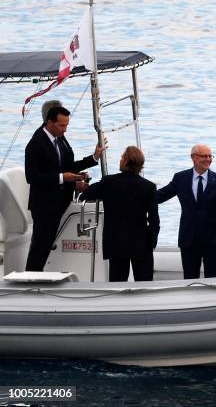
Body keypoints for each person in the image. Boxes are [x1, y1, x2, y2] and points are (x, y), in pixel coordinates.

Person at [25, 105, 105, 271]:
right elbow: (32, 177)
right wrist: (63, 178)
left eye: (67, 125)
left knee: (45, 246)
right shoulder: (35, 144)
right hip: (44, 205)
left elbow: (68, 166)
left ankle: (36, 278)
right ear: (49, 122)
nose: (65, 129)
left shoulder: (60, 139)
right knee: (40, 248)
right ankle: (31, 281)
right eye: (62, 125)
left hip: (58, 204)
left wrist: (93, 158)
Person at [82, 146, 159, 282]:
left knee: (117, 284)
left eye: (122, 157)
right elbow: (154, 220)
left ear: (126, 162)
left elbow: (87, 195)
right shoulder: (149, 187)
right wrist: (151, 243)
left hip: (116, 241)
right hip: (141, 242)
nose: (120, 159)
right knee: (144, 284)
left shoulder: (109, 182)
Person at [157, 144, 216, 279]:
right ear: (194, 158)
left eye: (210, 156)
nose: (208, 159)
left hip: (214, 242)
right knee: (190, 280)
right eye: (204, 156)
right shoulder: (181, 178)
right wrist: (139, 192)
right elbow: (161, 196)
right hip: (189, 240)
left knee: (214, 281)